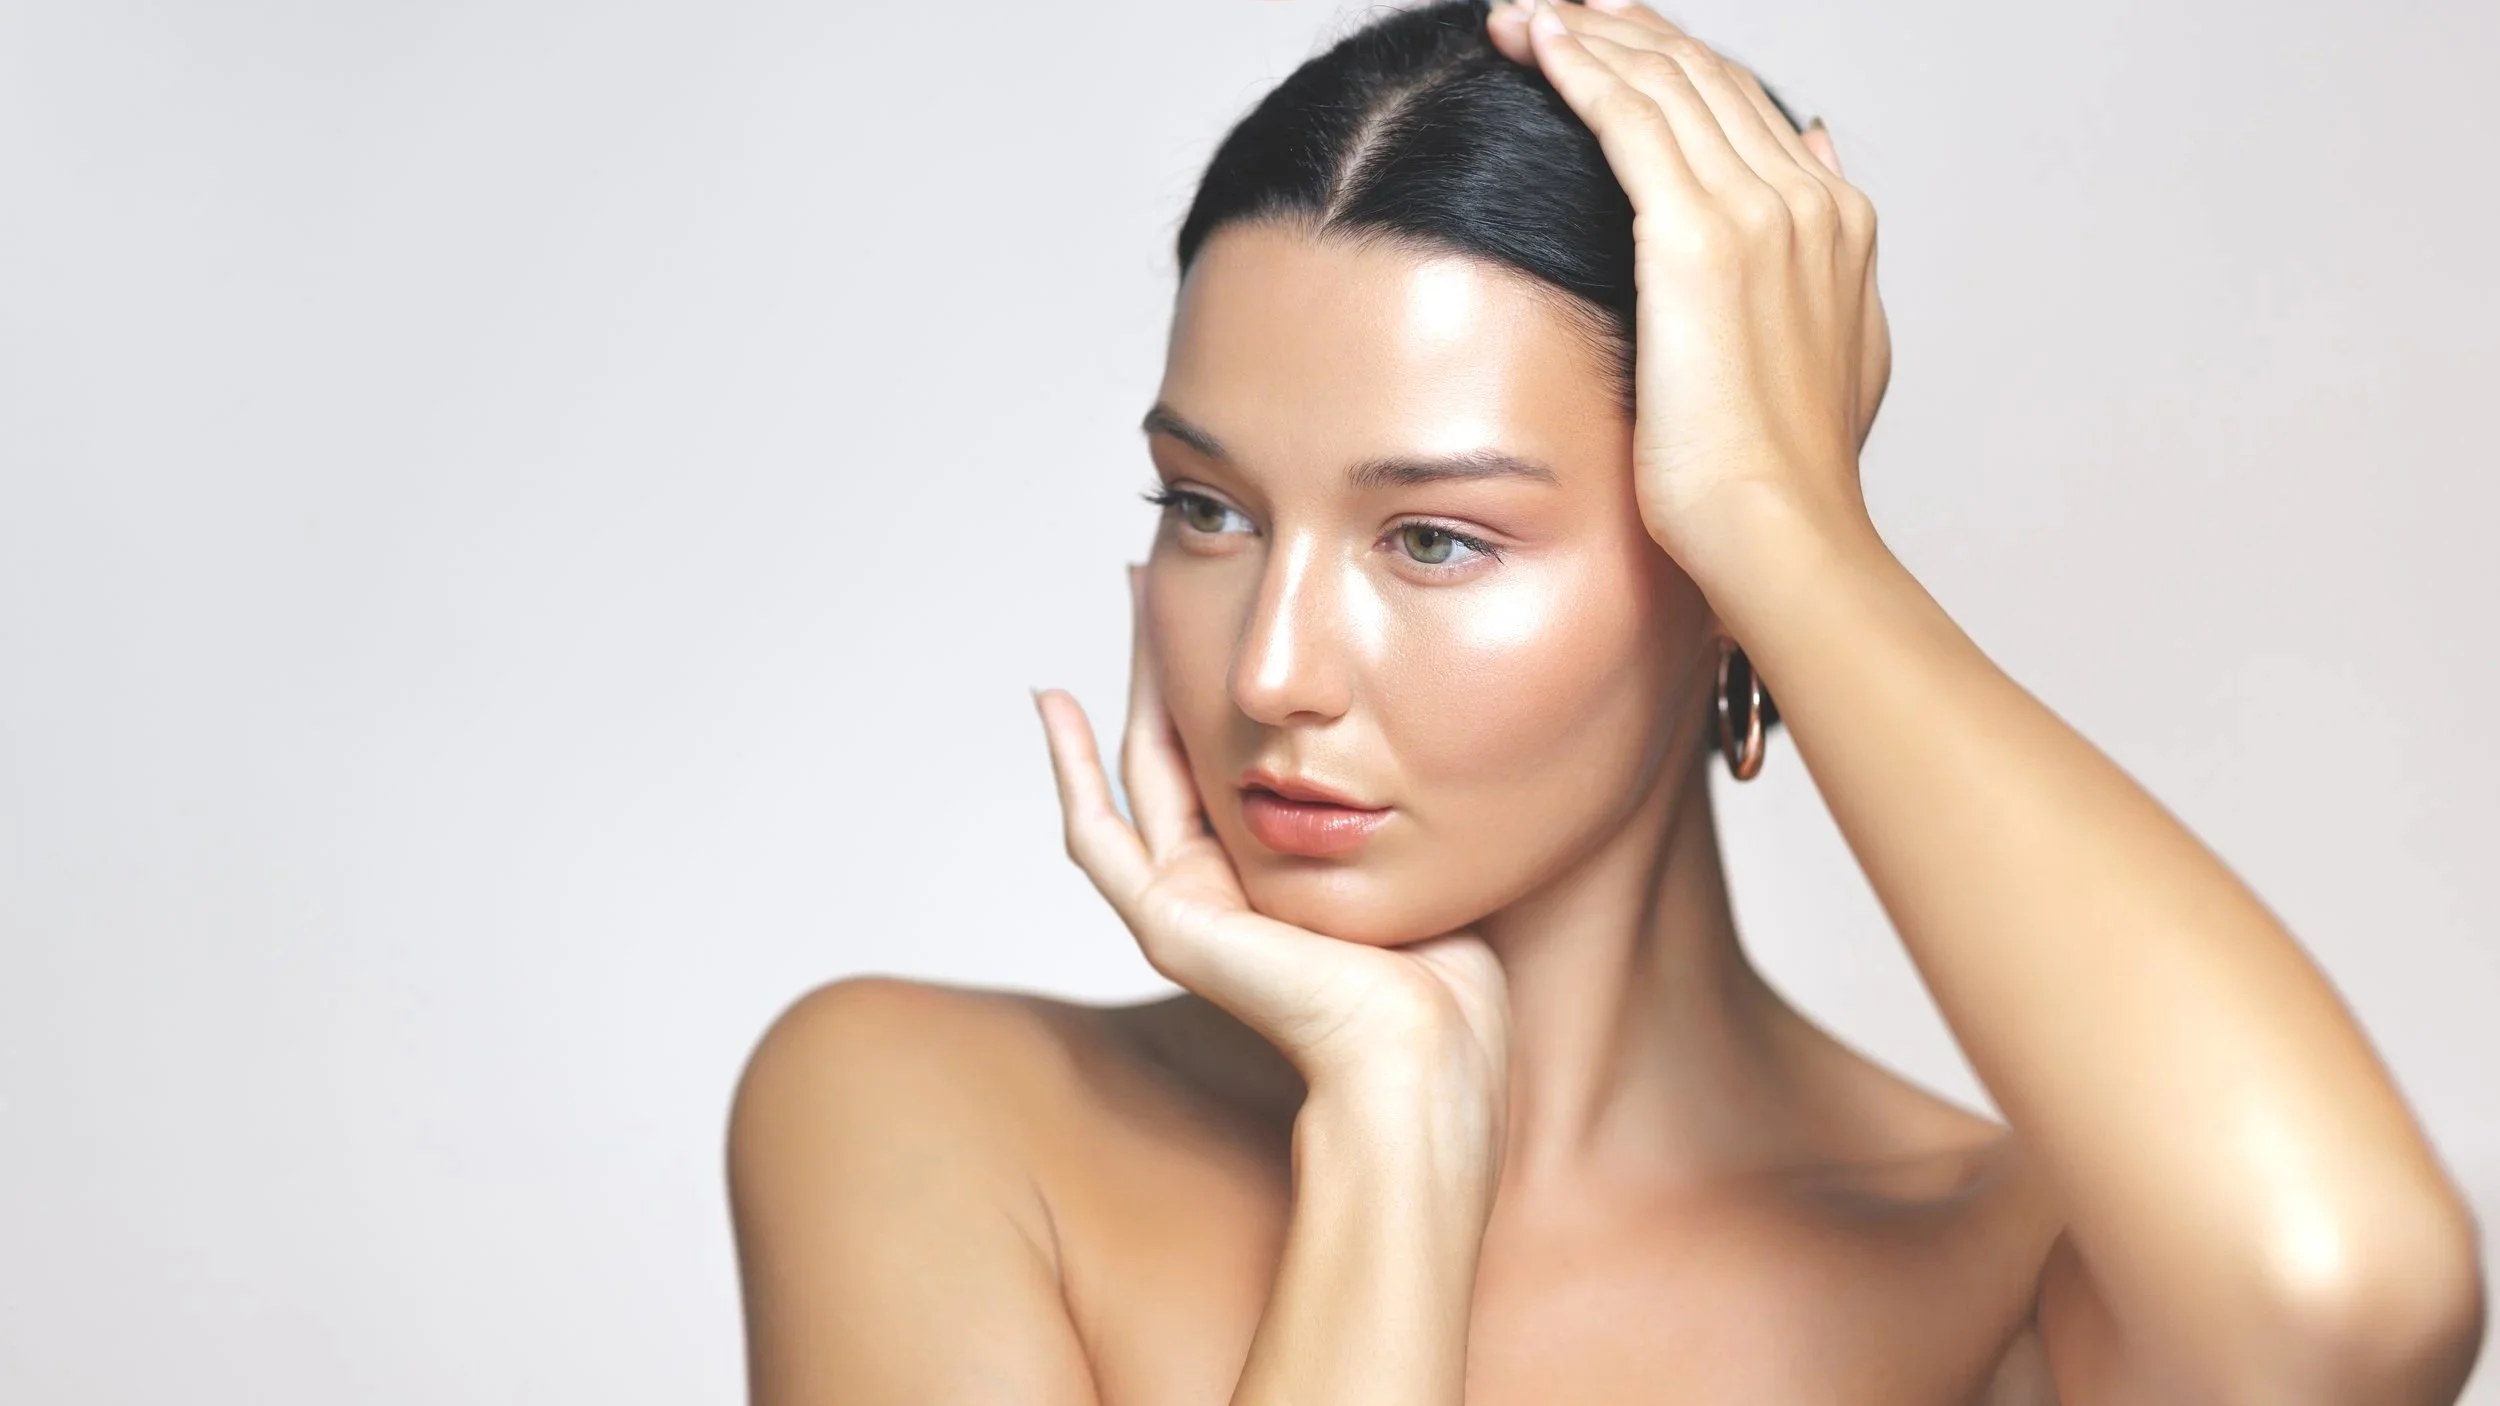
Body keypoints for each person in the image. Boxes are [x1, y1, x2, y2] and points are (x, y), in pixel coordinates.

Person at [725, 1, 2487, 1401]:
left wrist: (1797, 534)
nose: (1270, 669)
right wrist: (1397, 1139)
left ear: (1711, 574)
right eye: (1211, 509)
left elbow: (2343, 1292)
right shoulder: (928, 1119)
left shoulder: (1999, 1275)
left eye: (1432, 536)